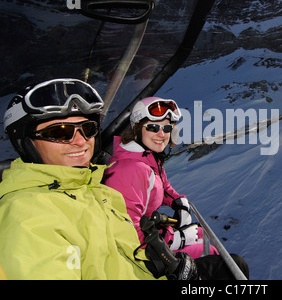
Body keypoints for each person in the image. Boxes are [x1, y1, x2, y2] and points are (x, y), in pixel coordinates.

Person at [0, 78, 248, 280]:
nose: (79, 141)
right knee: (231, 267)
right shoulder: (28, 216)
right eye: (59, 132)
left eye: (87, 129)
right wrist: (177, 241)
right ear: (26, 143)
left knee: (231, 266)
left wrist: (179, 202)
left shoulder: (93, 186)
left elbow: (123, 251)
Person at [104, 97, 219, 259]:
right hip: (138, 254)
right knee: (213, 255)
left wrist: (179, 202)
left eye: (166, 129)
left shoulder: (149, 158)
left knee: (201, 235)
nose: (161, 134)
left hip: (150, 235)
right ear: (137, 129)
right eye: (153, 127)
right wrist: (176, 239)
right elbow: (127, 232)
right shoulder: (129, 169)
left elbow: (163, 187)